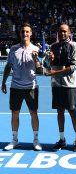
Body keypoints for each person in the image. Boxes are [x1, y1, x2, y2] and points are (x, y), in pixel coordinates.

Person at [1, 22, 42, 151]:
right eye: (23, 31)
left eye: (27, 31)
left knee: (33, 113)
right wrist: (3, 82)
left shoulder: (35, 49)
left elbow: (40, 70)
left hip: (31, 87)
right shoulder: (13, 49)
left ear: (30, 33)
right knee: (14, 113)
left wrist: (36, 59)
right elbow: (8, 67)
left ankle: (36, 140)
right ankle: (14, 140)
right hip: (16, 87)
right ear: (20, 33)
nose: (25, 33)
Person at [45, 23, 76, 152]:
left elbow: (73, 67)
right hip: (56, 84)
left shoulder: (74, 46)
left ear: (69, 33)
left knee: (72, 111)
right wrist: (50, 60)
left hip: (69, 84)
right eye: (60, 31)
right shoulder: (53, 46)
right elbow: (50, 65)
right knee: (59, 112)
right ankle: (62, 140)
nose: (62, 33)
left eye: (65, 31)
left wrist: (54, 73)